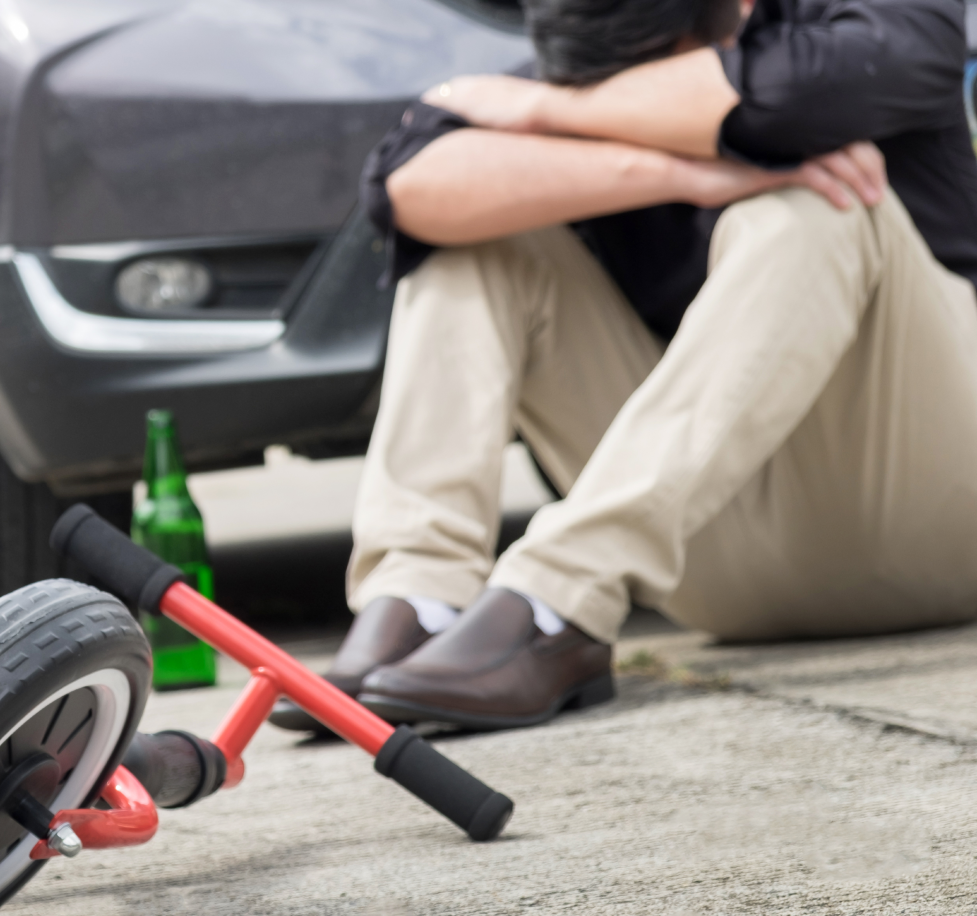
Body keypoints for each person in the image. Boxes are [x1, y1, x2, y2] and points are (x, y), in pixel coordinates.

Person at [308, 0, 977, 730]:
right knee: (474, 240)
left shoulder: (867, 22)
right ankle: (421, 603)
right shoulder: (604, 43)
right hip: (722, 569)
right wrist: (681, 172)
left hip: (941, 511)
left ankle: (554, 600)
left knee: (821, 198)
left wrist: (541, 109)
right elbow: (403, 189)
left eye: (645, 74)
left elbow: (809, 92)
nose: (620, 90)